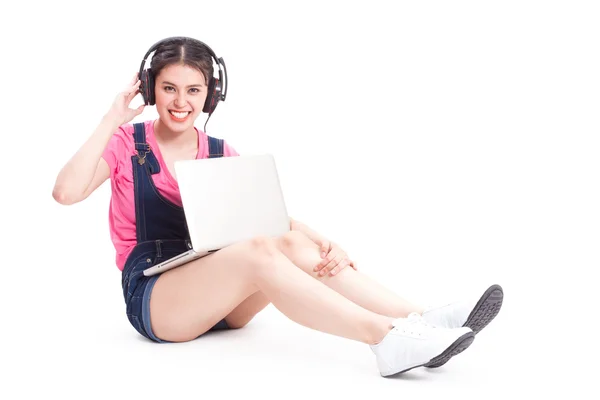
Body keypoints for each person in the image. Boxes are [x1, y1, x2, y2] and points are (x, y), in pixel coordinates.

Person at [52, 36, 503, 378]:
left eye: (193, 90)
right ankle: (385, 339)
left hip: (220, 294)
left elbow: (259, 217)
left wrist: (320, 240)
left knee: (283, 238)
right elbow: (65, 193)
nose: (180, 102)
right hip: (157, 300)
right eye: (169, 88)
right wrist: (112, 117)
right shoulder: (123, 145)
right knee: (259, 249)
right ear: (151, 89)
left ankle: (417, 317)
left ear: (210, 94)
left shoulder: (218, 150)